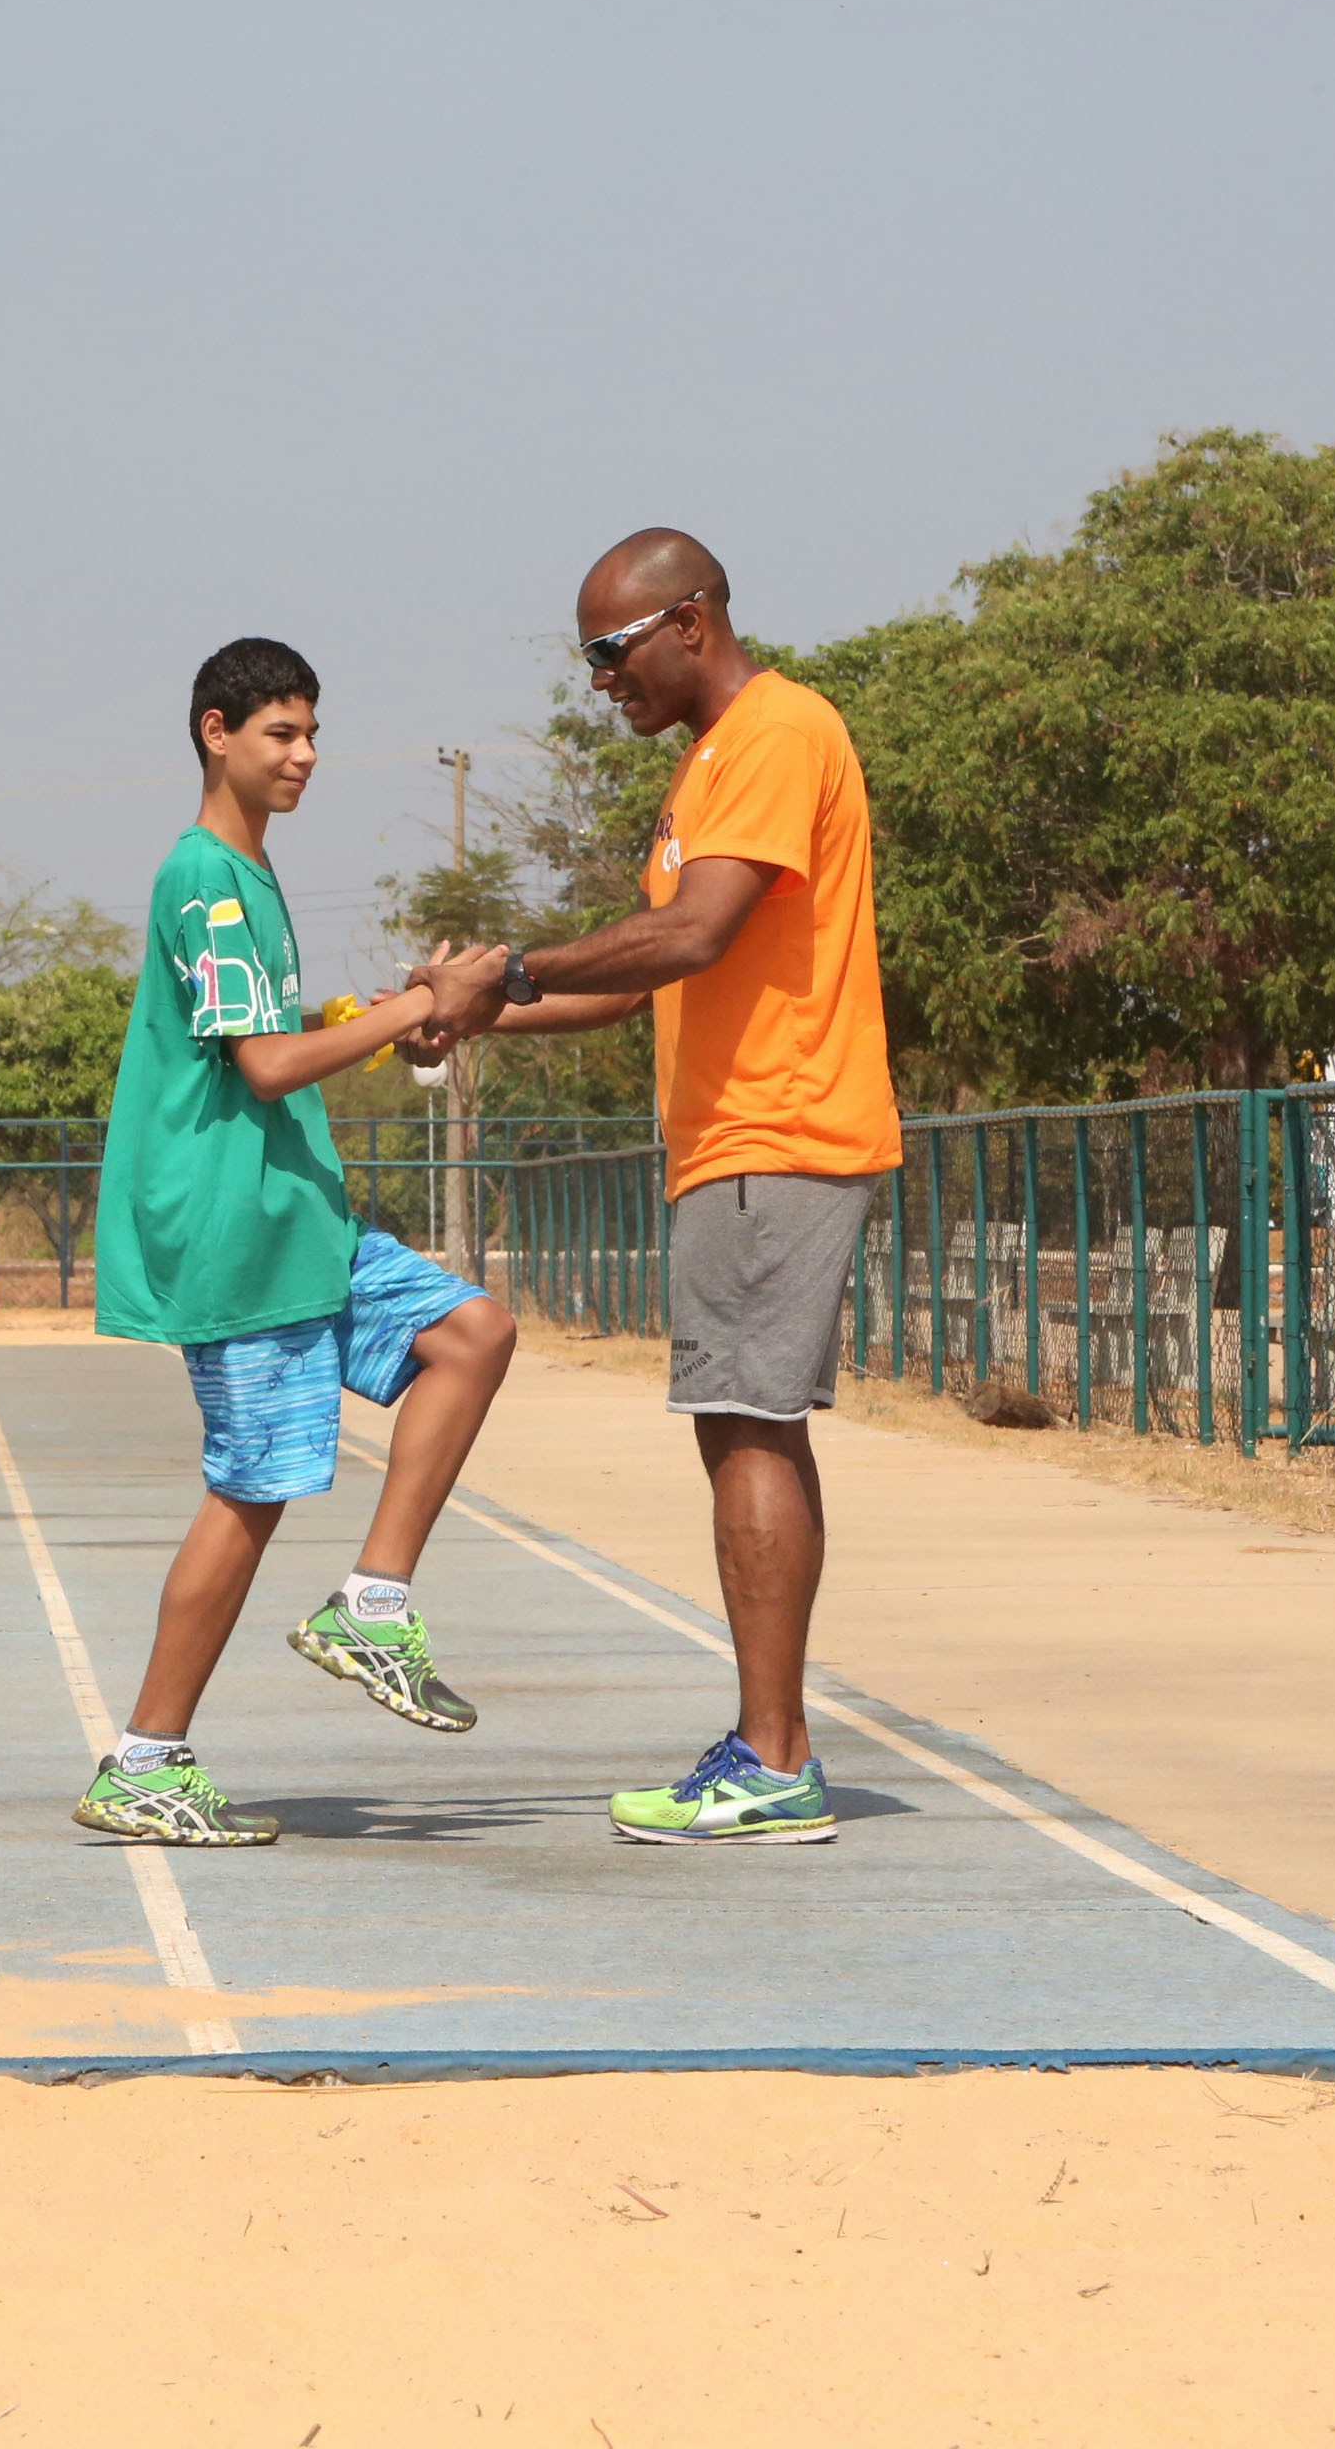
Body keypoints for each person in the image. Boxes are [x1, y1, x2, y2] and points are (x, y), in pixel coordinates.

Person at [415, 531, 897, 1844]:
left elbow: (695, 932)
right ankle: (770, 1747)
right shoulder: (708, 769)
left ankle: (774, 1758)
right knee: (738, 1424)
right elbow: (642, 981)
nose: (600, 682)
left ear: (691, 621)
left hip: (775, 1132)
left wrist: (503, 966)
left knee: (746, 1422)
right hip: (731, 1144)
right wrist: (470, 1020)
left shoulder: (779, 732)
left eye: (611, 653)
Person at [76, 637, 522, 1847]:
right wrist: (416, 1006)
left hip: (297, 1213)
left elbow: (275, 1033)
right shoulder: (207, 881)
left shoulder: (251, 878)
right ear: (215, 733)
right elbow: (263, 1068)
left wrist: (367, 1021)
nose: (305, 755)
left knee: (472, 1331)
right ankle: (146, 1760)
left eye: (313, 732)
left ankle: (372, 1603)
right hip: (236, 1232)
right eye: (280, 733)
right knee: (253, 1491)